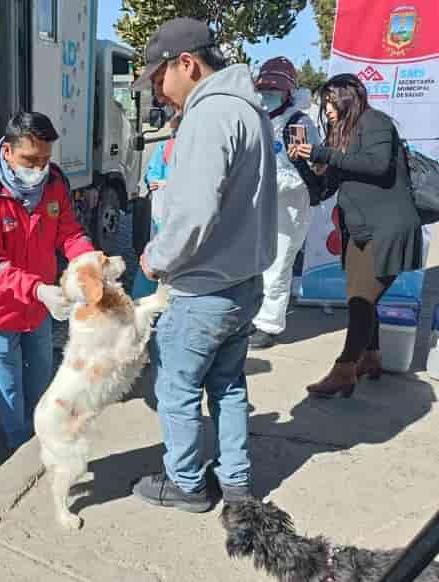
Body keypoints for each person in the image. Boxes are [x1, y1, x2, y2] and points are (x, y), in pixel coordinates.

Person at [129, 17, 277, 512]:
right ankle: (235, 481)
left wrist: (155, 258)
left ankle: (187, 484)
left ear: (186, 63)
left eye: (158, 77)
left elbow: (192, 213)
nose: (158, 90)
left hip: (202, 291)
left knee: (177, 391)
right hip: (243, 282)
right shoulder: (250, 111)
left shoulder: (208, 116)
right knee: (229, 386)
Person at [0, 112, 94, 450]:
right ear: (8, 152)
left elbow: (69, 231)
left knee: (41, 378)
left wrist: (87, 260)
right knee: (10, 388)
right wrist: (39, 289)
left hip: (40, 309)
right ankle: (20, 450)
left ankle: (44, 437)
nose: (38, 169)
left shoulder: (54, 182)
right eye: (30, 160)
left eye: (45, 159)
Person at [290, 74, 422, 397]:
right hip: (359, 231)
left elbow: (378, 166)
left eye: (330, 103)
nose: (327, 110)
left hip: (387, 228)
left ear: (347, 97)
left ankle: (345, 368)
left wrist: (323, 154)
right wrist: (304, 164)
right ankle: (371, 357)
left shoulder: (375, 123)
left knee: (363, 299)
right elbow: (324, 189)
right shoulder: (340, 134)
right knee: (361, 299)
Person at [250, 57, 323, 349]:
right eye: (265, 89)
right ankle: (253, 316)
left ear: (288, 92)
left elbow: (303, 171)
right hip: (260, 205)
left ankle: (269, 325)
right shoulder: (260, 118)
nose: (268, 95)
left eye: (274, 90)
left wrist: (265, 184)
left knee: (278, 265)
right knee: (256, 263)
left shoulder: (298, 123)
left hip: (290, 205)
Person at [131, 112, 181, 300]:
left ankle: (143, 299)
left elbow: (152, 175)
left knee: (155, 250)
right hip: (165, 214)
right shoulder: (171, 148)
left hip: (160, 215)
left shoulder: (165, 147)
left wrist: (162, 183)